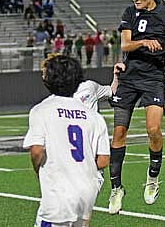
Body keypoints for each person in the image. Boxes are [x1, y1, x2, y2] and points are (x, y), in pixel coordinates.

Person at [107, 0, 165, 214]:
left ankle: (152, 178)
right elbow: (125, 45)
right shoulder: (129, 13)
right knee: (119, 132)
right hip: (130, 77)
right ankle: (116, 188)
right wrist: (143, 42)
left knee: (153, 130)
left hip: (153, 78)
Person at [23, 54, 110, 227]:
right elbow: (103, 160)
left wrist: (38, 171)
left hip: (56, 196)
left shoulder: (41, 110)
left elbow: (36, 151)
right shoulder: (94, 117)